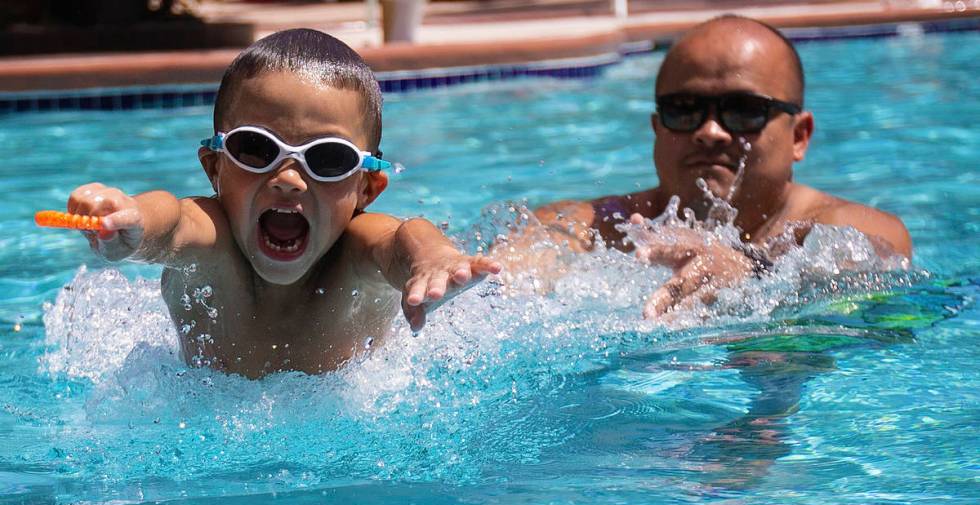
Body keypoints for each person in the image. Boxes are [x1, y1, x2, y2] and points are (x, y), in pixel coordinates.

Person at [65, 29, 499, 377]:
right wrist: (133, 218)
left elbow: (404, 237)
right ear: (215, 167)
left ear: (366, 189)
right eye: (256, 148)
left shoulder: (355, 249)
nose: (289, 179)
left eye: (329, 158)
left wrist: (433, 260)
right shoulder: (211, 244)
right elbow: (174, 219)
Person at [500, 15, 912, 318]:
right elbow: (495, 281)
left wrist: (752, 270)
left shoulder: (846, 228)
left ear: (799, 136)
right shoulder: (596, 227)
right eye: (684, 110)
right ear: (657, 128)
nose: (711, 131)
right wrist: (433, 244)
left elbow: (869, 271)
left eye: (745, 110)